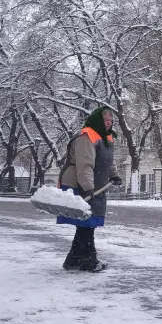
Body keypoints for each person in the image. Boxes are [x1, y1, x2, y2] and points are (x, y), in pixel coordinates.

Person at [57, 107, 117, 272]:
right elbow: (85, 165)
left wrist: (114, 175)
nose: (109, 123)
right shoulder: (87, 137)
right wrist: (88, 187)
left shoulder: (106, 138)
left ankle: (73, 259)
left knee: (86, 224)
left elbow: (108, 161)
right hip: (79, 183)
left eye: (111, 120)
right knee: (86, 223)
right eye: (106, 120)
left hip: (93, 184)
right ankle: (89, 260)